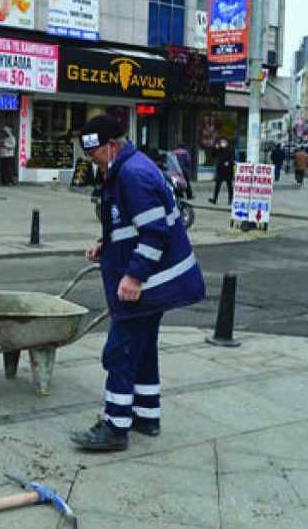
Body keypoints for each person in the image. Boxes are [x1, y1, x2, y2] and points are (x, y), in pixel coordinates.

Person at [70, 115, 206, 452]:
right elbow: (131, 224)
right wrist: (106, 245)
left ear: (111, 146)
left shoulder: (132, 174)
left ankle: (115, 427)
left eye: (94, 154)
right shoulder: (127, 169)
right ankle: (146, 416)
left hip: (148, 285)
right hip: (153, 285)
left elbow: (154, 232)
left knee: (119, 352)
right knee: (142, 351)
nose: (92, 162)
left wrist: (133, 276)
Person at [209, 138, 234, 205]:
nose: (222, 143)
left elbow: (232, 158)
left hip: (228, 170)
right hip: (220, 170)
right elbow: (213, 155)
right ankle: (214, 199)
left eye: (223, 142)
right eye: (221, 142)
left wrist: (228, 162)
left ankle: (230, 200)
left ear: (226, 142)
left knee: (229, 185)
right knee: (217, 185)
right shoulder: (219, 149)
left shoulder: (230, 149)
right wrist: (215, 148)